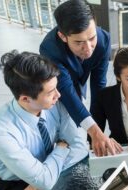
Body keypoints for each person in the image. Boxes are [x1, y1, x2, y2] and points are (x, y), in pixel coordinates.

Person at [0, 50, 88, 190]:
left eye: (56, 88)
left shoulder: (55, 101)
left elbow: (81, 147)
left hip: (51, 169)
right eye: (50, 93)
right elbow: (48, 172)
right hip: (18, 182)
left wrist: (41, 181)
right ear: (25, 99)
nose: (58, 95)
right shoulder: (0, 131)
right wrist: (59, 149)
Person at [40, 0, 120, 156]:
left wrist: (97, 132)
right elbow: (66, 90)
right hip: (58, 91)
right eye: (79, 42)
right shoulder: (49, 49)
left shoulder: (103, 40)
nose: (88, 48)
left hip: (78, 83)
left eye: (91, 38)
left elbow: (98, 84)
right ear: (63, 36)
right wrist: (95, 132)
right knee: (69, 132)